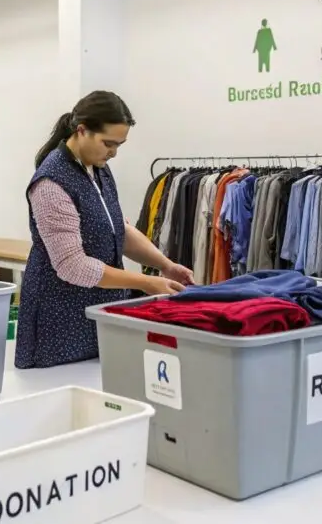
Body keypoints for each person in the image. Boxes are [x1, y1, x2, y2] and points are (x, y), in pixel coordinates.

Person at [15, 91, 195, 369]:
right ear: (82, 130)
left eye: (119, 145)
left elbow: (116, 229)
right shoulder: (51, 183)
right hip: (59, 318)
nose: (113, 152)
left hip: (101, 308)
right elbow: (72, 265)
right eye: (108, 143)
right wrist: (146, 282)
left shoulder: (97, 168)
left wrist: (165, 265)